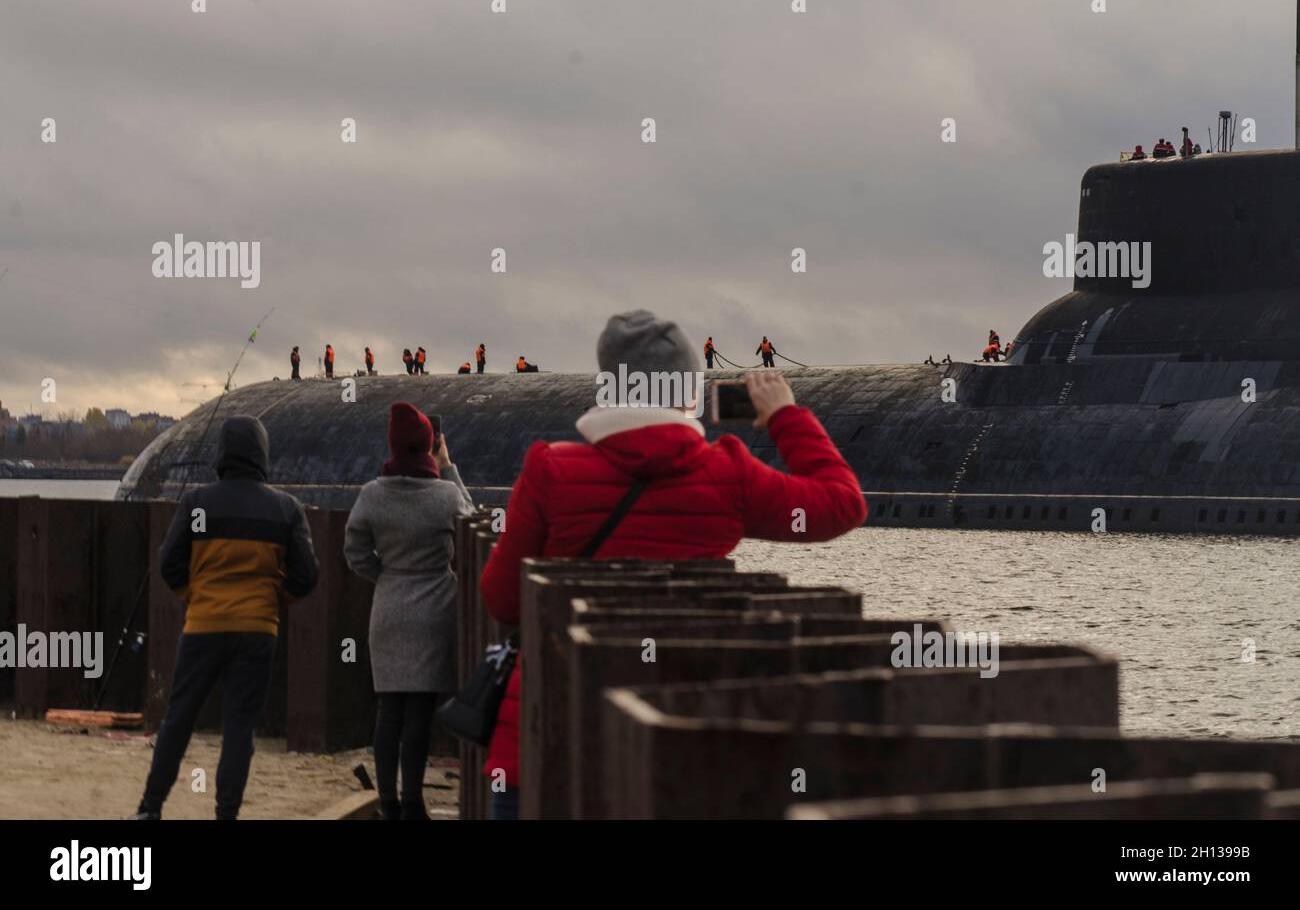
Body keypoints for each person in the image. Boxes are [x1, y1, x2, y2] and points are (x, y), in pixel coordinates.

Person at [479, 309, 867, 820]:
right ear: (690, 389)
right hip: (671, 741)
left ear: (609, 387)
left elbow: (502, 600)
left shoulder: (550, 469)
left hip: (548, 735)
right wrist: (784, 417)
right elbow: (843, 503)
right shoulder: (728, 475)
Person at [134, 416, 319, 819]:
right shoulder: (286, 509)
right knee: (239, 728)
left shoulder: (196, 503)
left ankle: (150, 809)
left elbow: (169, 565)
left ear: (222, 454)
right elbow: (308, 576)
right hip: (257, 631)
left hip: (204, 626)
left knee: (178, 719)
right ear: (262, 454)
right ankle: (226, 814)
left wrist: (196, 594)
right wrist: (273, 599)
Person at [344, 403, 474, 820]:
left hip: (389, 606)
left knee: (389, 710)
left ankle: (388, 802)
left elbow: (354, 551)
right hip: (435, 607)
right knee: (419, 711)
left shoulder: (372, 494)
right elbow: (473, 525)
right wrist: (449, 467)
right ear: (430, 445)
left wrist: (385, 574)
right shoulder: (443, 495)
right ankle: (415, 803)